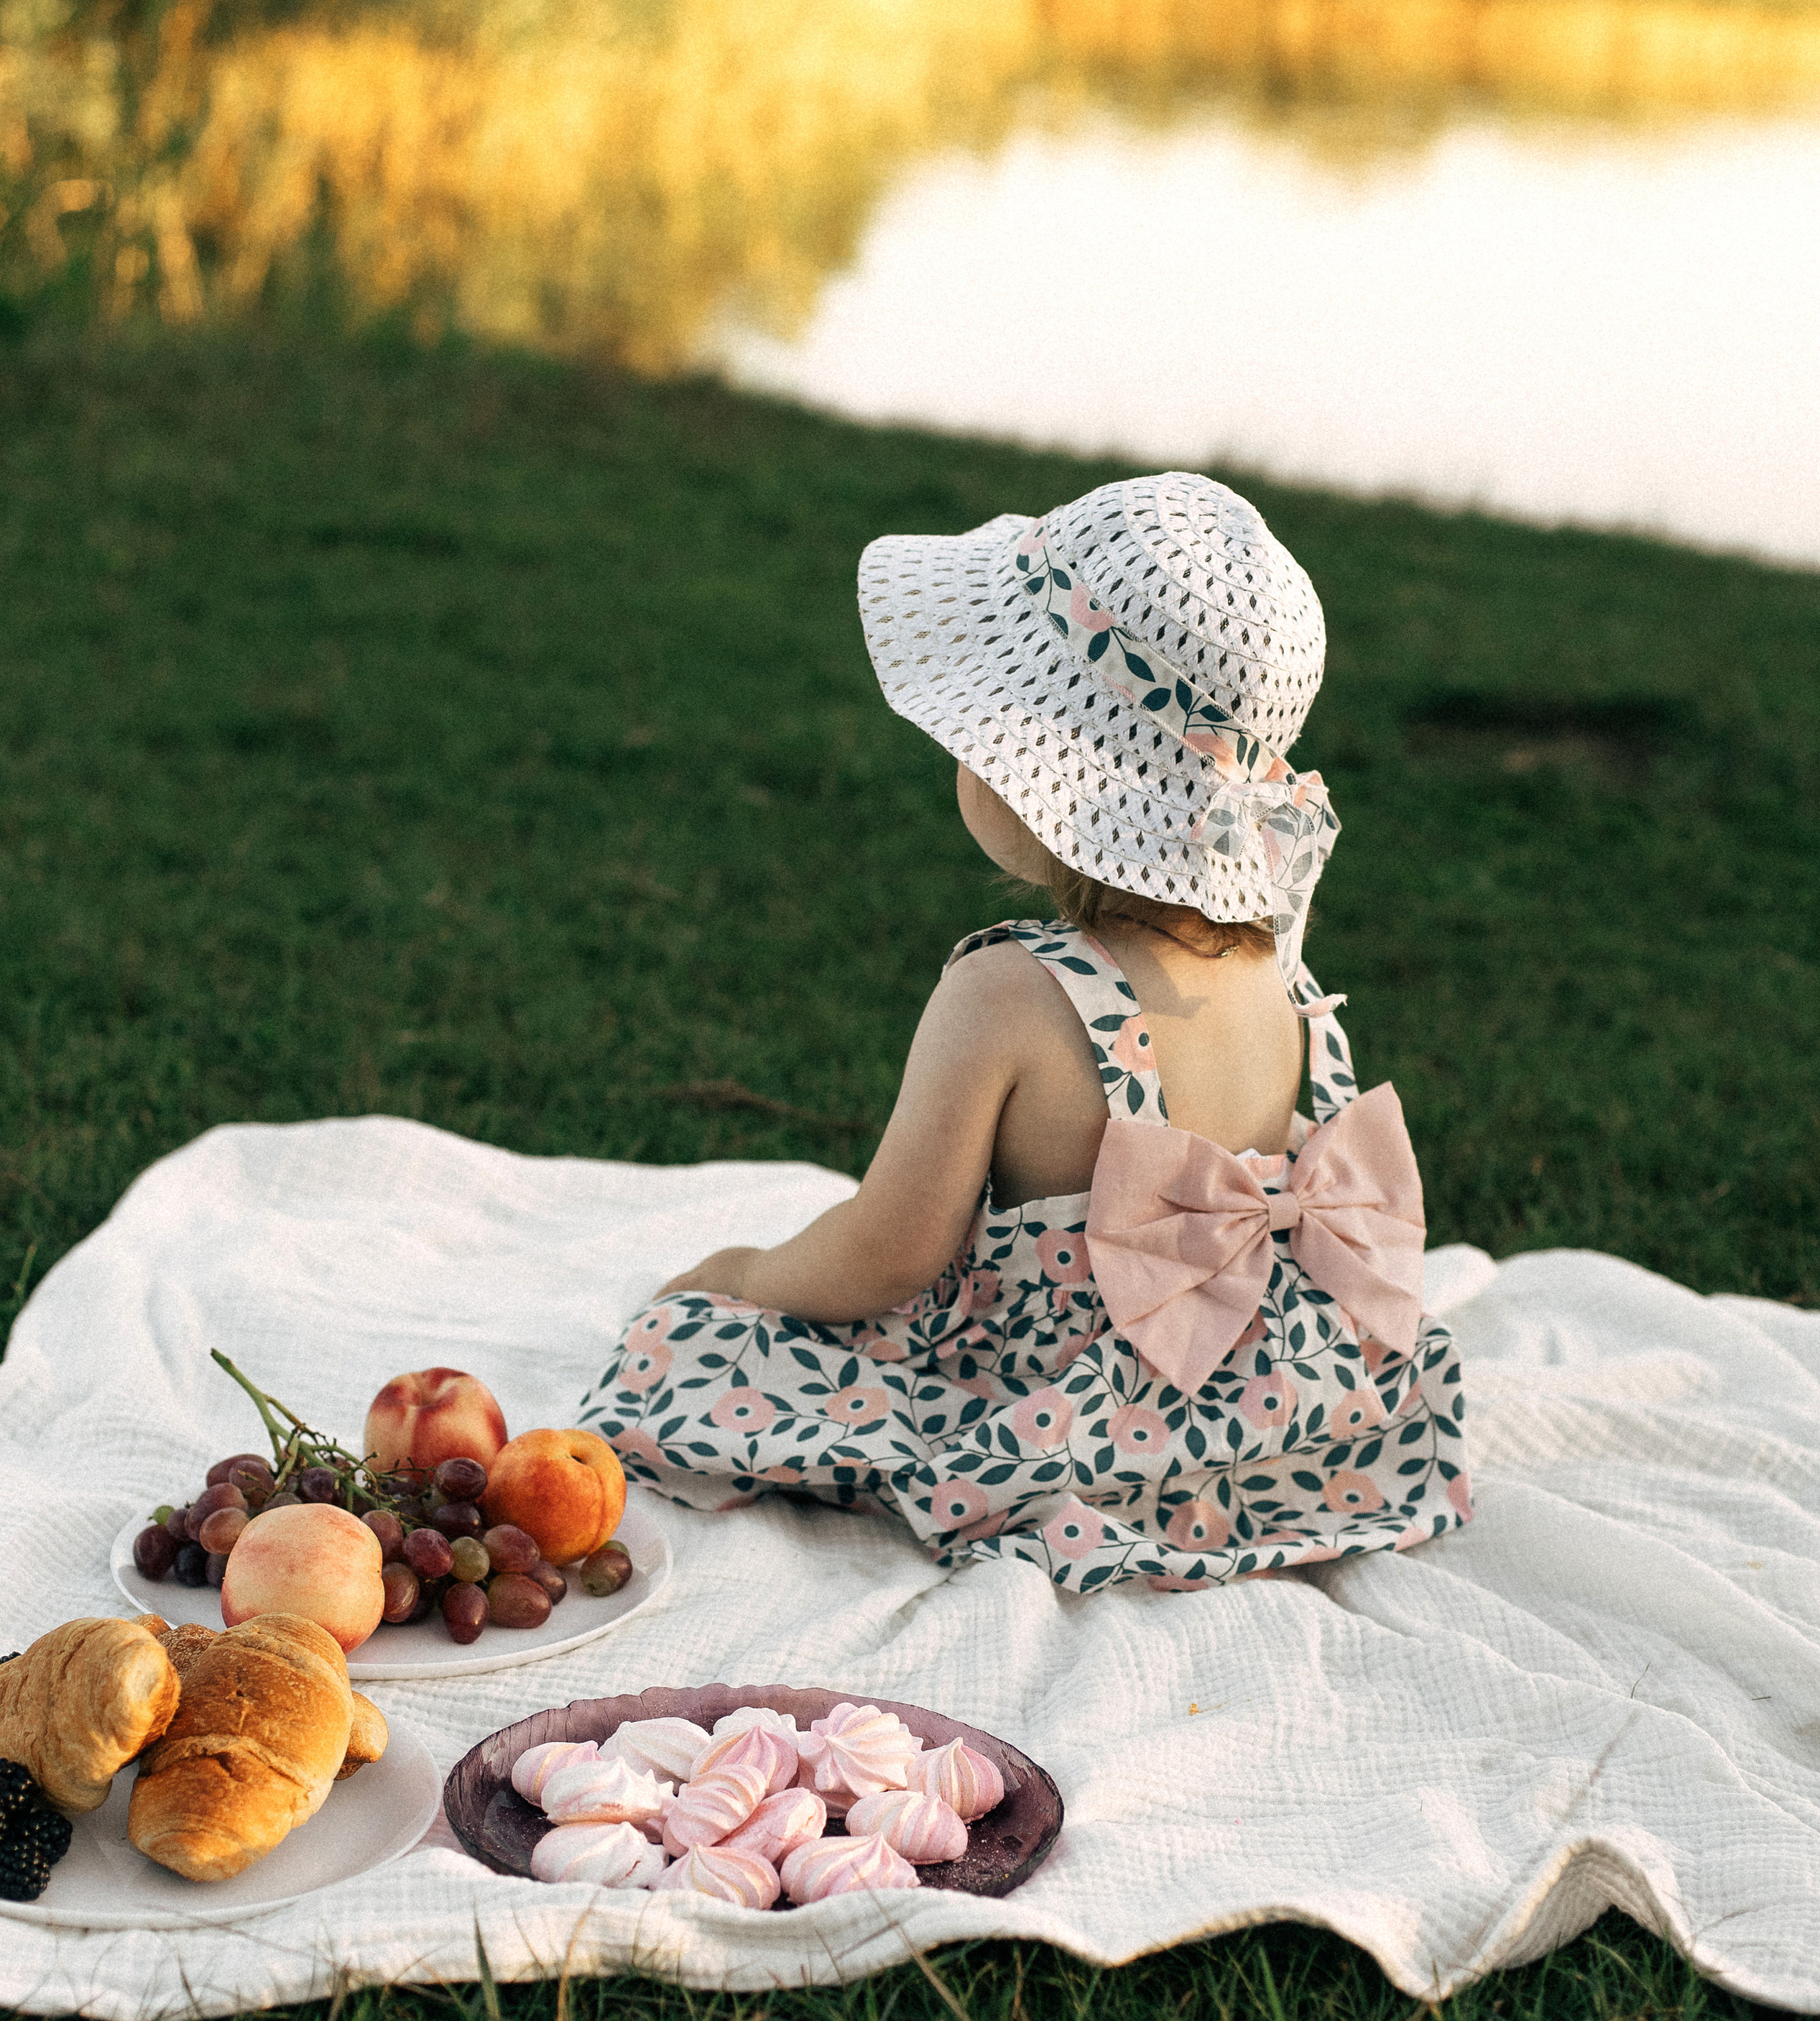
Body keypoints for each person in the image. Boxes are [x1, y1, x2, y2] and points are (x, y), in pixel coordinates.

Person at [579, 472, 1471, 1592]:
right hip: (1263, 1421)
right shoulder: (1282, 979)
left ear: (1040, 766)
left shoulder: (1011, 993)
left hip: (1052, 1416)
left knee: (679, 1358)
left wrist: (750, 1274)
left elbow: (890, 1248)